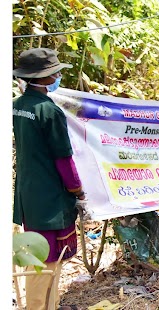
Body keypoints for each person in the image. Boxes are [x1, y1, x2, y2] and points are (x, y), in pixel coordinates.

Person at [13, 48, 85, 310]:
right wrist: (77, 190)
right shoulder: (49, 111)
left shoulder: (18, 106)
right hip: (50, 199)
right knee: (47, 259)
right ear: (42, 78)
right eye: (54, 73)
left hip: (28, 194)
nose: (57, 76)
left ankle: (49, 304)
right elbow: (63, 158)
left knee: (36, 256)